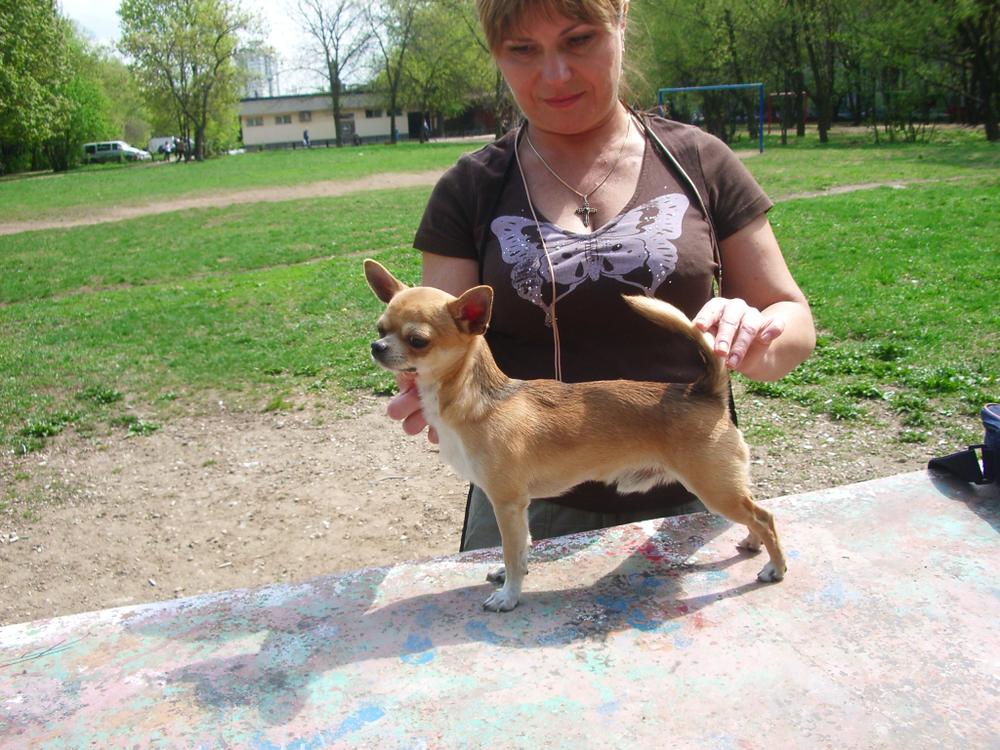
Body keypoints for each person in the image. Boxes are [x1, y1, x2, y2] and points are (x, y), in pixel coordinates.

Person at [386, 0, 816, 552]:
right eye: (523, 50)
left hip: (687, 481)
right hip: (528, 501)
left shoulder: (699, 161)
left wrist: (756, 334)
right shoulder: (470, 188)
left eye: (579, 39)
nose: (555, 73)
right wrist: (423, 383)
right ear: (495, 54)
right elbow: (438, 339)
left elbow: (792, 317)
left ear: (621, 21)